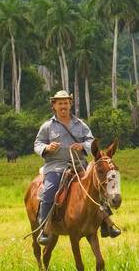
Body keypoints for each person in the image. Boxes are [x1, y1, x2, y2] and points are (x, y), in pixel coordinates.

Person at [33, 89, 121, 243]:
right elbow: (37, 143)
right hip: (56, 166)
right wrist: (47, 148)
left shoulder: (80, 125)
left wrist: (82, 146)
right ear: (54, 105)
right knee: (48, 192)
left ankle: (107, 224)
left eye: (66, 103)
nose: (63, 106)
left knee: (98, 186)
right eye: (60, 103)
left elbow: (90, 141)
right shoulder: (47, 126)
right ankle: (44, 229)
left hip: (80, 165)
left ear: (70, 104)